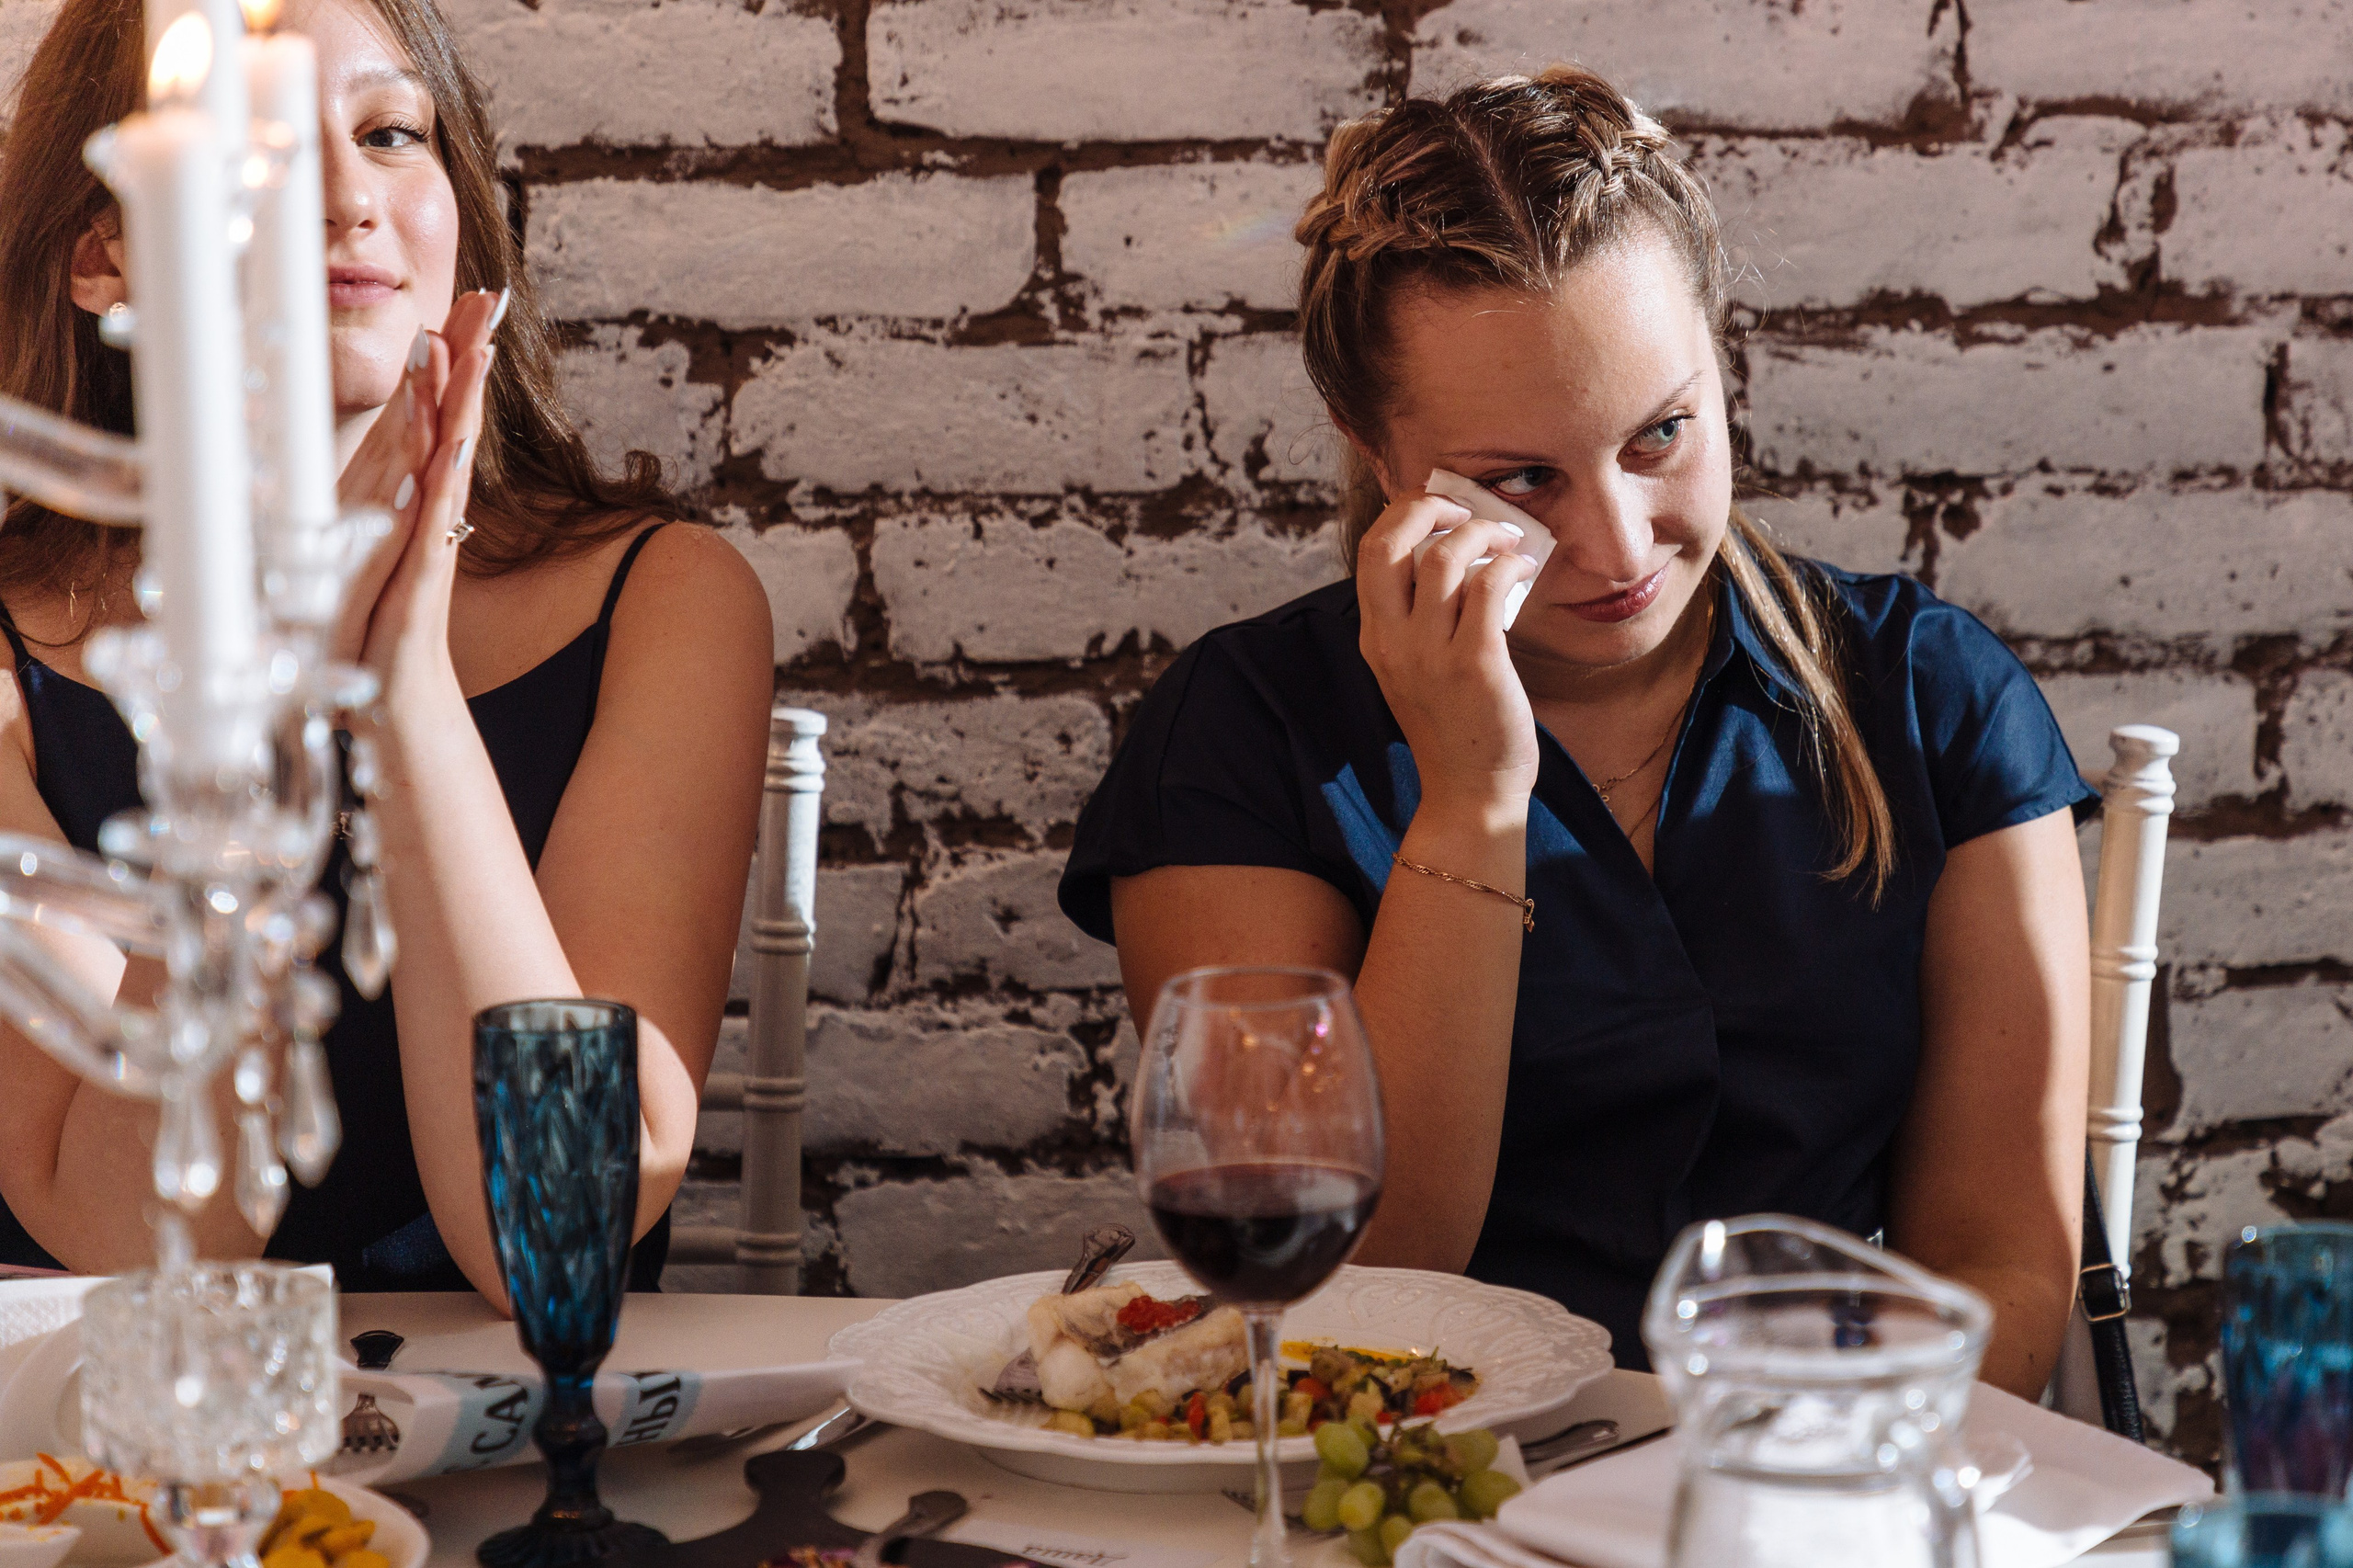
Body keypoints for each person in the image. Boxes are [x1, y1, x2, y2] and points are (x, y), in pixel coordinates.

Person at [1059, 67, 2094, 1396]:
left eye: (1662, 433)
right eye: (1522, 479)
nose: (1617, 545)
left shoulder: (1929, 698)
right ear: (1378, 448)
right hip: (1417, 1493)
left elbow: (2000, 1274)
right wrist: (1476, 794)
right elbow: (1345, 1290)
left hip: (1817, 1480)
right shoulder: (1245, 737)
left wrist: (1772, 1477)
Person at [0, 0, 774, 1301]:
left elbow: (566, 1234)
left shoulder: (668, 599)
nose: (346, 196)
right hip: (93, 1467)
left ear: (460, 213)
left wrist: (403, 685)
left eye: (391, 132)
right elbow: (134, 1231)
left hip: (521, 1468)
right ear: (108, 253)